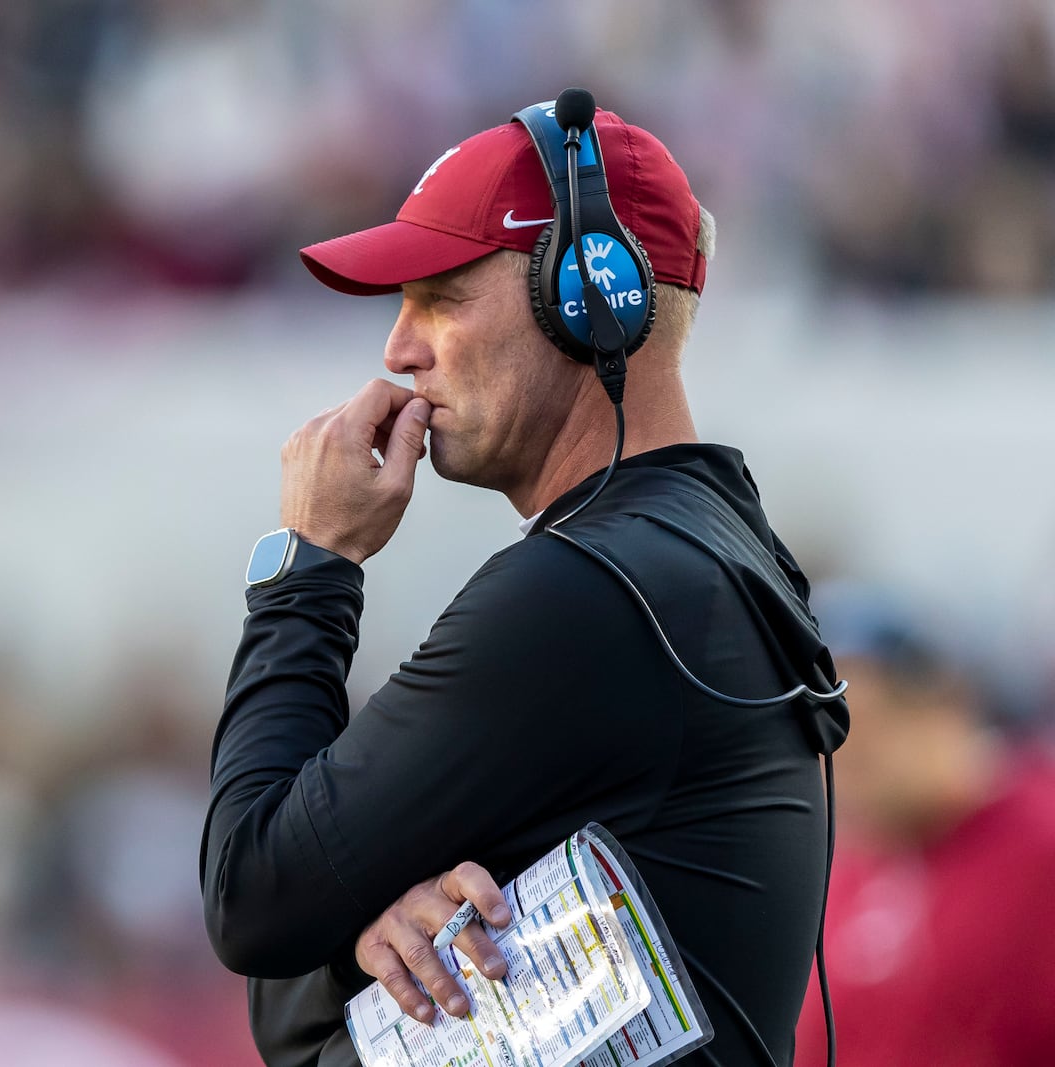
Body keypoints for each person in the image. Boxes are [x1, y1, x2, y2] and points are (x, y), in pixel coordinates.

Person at [199, 95, 848, 1067]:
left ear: (587, 298)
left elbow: (251, 897)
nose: (398, 348)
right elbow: (285, 970)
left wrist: (310, 565)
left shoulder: (587, 593)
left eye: (440, 297)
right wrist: (357, 934)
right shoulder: (698, 549)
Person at [794, 588, 1055, 1067]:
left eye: (868, 725)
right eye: (827, 738)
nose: (844, 759)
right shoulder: (844, 870)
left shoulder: (1038, 843)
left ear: (944, 709)